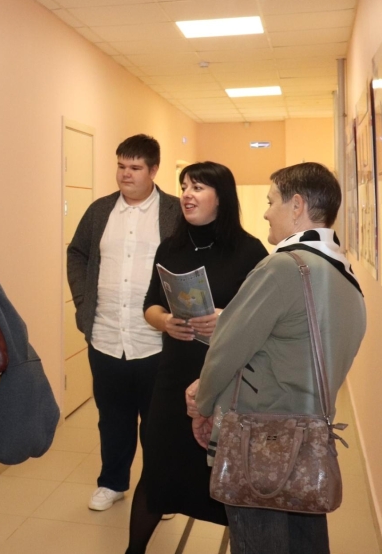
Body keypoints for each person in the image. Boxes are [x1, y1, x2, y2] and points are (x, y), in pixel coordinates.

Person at [187, 163, 367, 554]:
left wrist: (203, 404)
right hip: (308, 441)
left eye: (271, 202)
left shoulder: (283, 268)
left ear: (297, 205)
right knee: (305, 542)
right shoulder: (344, 274)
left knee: (259, 542)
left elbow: (227, 348)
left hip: (260, 443)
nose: (266, 212)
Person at [124, 162, 268, 553]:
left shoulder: (250, 251)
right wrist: (165, 321)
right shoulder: (170, 247)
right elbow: (150, 305)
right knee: (157, 469)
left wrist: (225, 318)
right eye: (184, 186)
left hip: (224, 379)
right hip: (172, 376)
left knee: (227, 473)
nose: (187, 194)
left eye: (198, 187)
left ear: (221, 197)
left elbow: (263, 320)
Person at [66, 134, 182, 512]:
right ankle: (112, 483)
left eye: (135, 167)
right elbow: (77, 253)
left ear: (154, 170)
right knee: (112, 418)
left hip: (156, 340)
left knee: (158, 423)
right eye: (120, 166)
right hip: (105, 336)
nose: (125, 174)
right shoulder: (100, 211)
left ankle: (161, 491)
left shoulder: (175, 212)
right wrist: (83, 303)